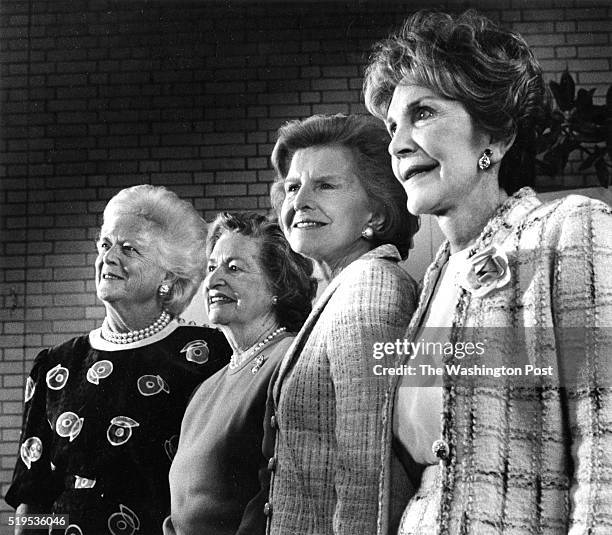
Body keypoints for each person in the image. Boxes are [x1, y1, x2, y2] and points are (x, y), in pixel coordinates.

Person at [363, 9, 612, 534]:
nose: (397, 143)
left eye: (423, 113)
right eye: (392, 126)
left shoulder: (569, 232)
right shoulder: (434, 279)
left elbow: (606, 446)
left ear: (494, 136)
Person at [5, 185, 231, 535]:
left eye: (129, 249)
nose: (109, 258)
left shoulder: (208, 354)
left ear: (168, 278)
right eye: (105, 245)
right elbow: (33, 499)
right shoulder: (55, 365)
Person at [265, 113, 420, 534]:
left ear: (378, 210)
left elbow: (369, 471)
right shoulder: (341, 288)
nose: (299, 201)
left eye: (326, 185)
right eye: (293, 187)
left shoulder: (370, 289)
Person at [164, 212, 314, 535]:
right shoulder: (206, 387)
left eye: (233, 268)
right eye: (211, 268)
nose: (214, 279)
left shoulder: (289, 361)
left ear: (279, 284)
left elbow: (276, 496)